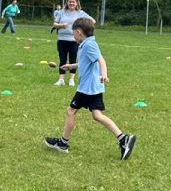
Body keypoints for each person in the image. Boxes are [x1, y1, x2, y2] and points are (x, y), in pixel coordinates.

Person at [44, 16, 136, 160]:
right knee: (97, 115)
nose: (73, 35)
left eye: (73, 32)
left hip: (87, 88)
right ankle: (124, 139)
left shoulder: (89, 45)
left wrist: (104, 75)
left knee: (71, 111)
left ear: (79, 32)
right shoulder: (87, 43)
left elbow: (101, 60)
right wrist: (72, 66)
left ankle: (63, 143)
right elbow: (87, 62)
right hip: (94, 87)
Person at [50, 0, 91, 87]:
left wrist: (82, 29)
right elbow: (54, 24)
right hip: (62, 40)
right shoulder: (61, 12)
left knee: (73, 59)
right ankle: (61, 79)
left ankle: (71, 80)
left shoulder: (80, 13)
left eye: (73, 2)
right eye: (70, 2)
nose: (71, 3)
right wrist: (61, 25)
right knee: (62, 59)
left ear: (77, 3)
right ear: (67, 3)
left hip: (74, 41)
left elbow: (92, 21)